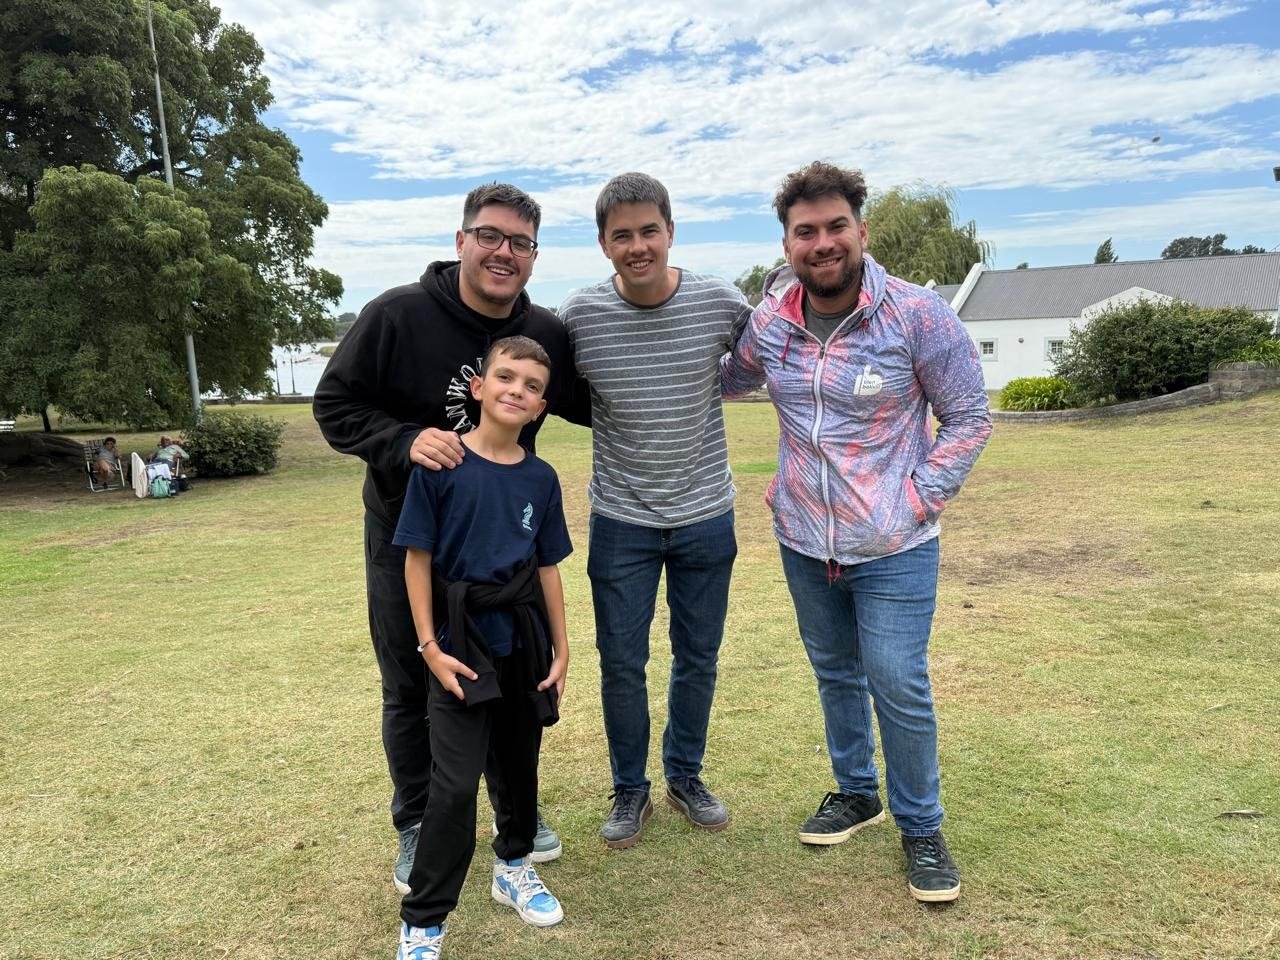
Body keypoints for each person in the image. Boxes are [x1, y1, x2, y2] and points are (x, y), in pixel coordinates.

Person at [720, 161, 992, 903]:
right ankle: (856, 791)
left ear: (861, 232)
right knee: (836, 673)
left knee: (897, 681)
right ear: (787, 245)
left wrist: (917, 499)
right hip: (804, 537)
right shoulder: (771, 322)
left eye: (836, 226)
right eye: (805, 231)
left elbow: (969, 417)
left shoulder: (917, 315)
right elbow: (731, 378)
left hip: (895, 544)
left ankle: (922, 827)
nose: (823, 242)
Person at [313, 183, 586, 895]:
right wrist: (405, 440)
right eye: (489, 236)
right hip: (408, 537)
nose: (504, 252)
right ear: (461, 240)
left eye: (520, 243)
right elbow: (334, 404)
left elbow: (594, 399)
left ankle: (515, 816)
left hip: (501, 552)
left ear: (534, 256)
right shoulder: (397, 315)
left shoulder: (545, 333)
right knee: (411, 680)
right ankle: (416, 821)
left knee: (506, 678)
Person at [559, 173, 752, 848]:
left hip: (706, 513)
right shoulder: (579, 316)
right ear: (603, 243)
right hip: (621, 519)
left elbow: (769, 353)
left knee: (698, 655)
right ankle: (629, 788)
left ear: (671, 231)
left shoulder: (719, 302)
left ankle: (684, 776)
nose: (637, 246)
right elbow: (543, 384)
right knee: (621, 661)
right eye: (622, 235)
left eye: (649, 231)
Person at [393, 336, 571, 960]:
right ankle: (423, 921)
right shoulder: (441, 465)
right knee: (454, 785)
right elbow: (416, 562)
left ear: (540, 407)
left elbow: (548, 568)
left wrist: (562, 648)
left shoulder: (541, 478)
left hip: (522, 640)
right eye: (506, 376)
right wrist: (429, 647)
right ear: (478, 386)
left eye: (531, 386)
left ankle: (513, 867)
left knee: (520, 767)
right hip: (459, 644)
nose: (516, 390)